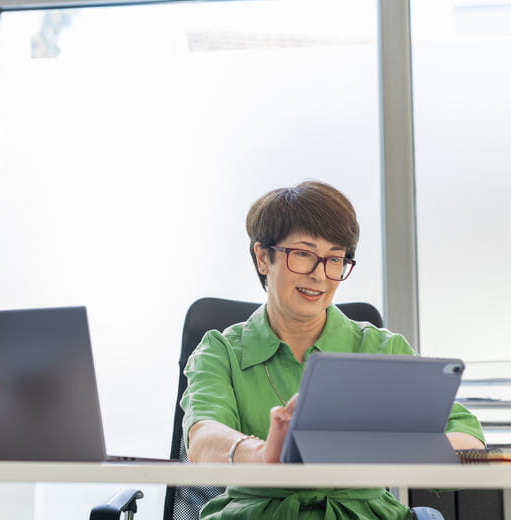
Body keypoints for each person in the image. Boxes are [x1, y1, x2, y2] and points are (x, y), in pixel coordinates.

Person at [180, 180, 484, 520]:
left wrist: (386, 448)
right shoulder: (220, 350)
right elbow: (203, 439)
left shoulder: (381, 349)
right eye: (304, 255)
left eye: (334, 259)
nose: (320, 276)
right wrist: (266, 454)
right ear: (263, 257)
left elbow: (468, 440)